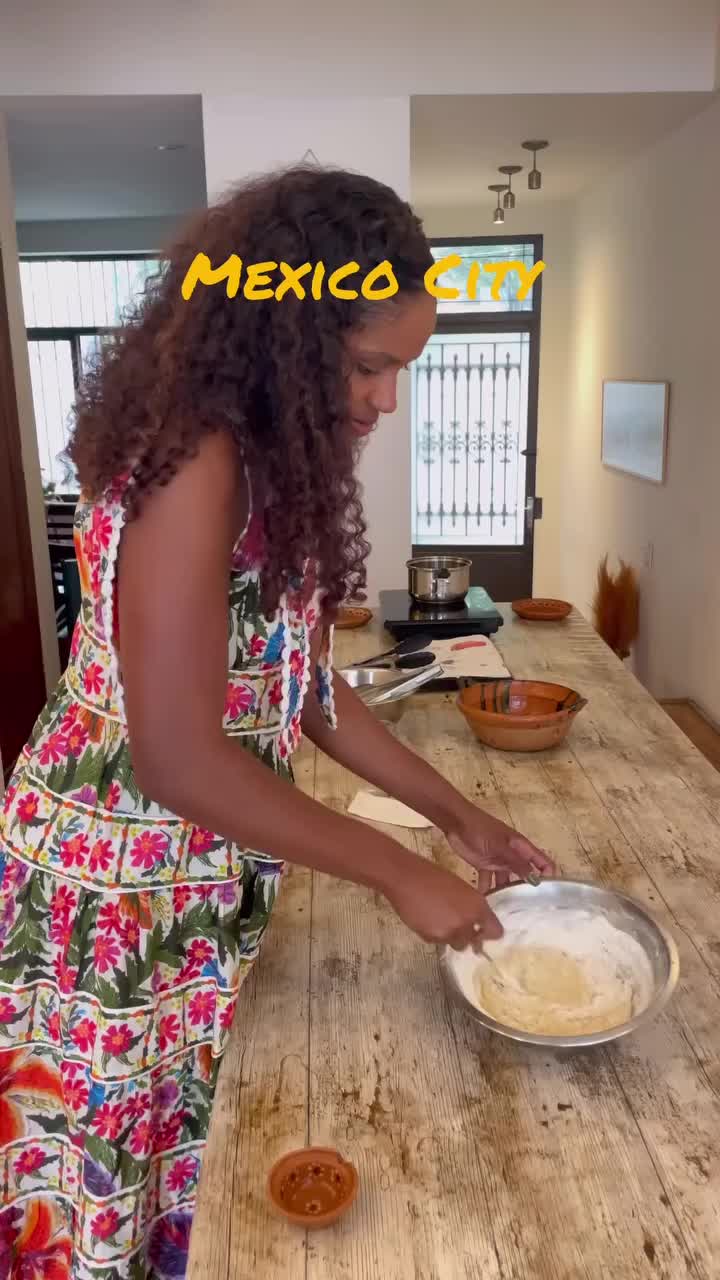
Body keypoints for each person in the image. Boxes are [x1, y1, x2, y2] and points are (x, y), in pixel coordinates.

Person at [0, 165, 553, 1279]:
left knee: (185, 1181)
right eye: (368, 364)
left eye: (402, 369)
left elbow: (299, 689)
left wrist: (459, 818)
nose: (386, 399)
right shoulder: (195, 463)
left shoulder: (269, 457)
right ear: (283, 339)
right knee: (106, 1186)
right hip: (113, 884)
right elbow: (176, 755)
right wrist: (396, 871)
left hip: (195, 865)